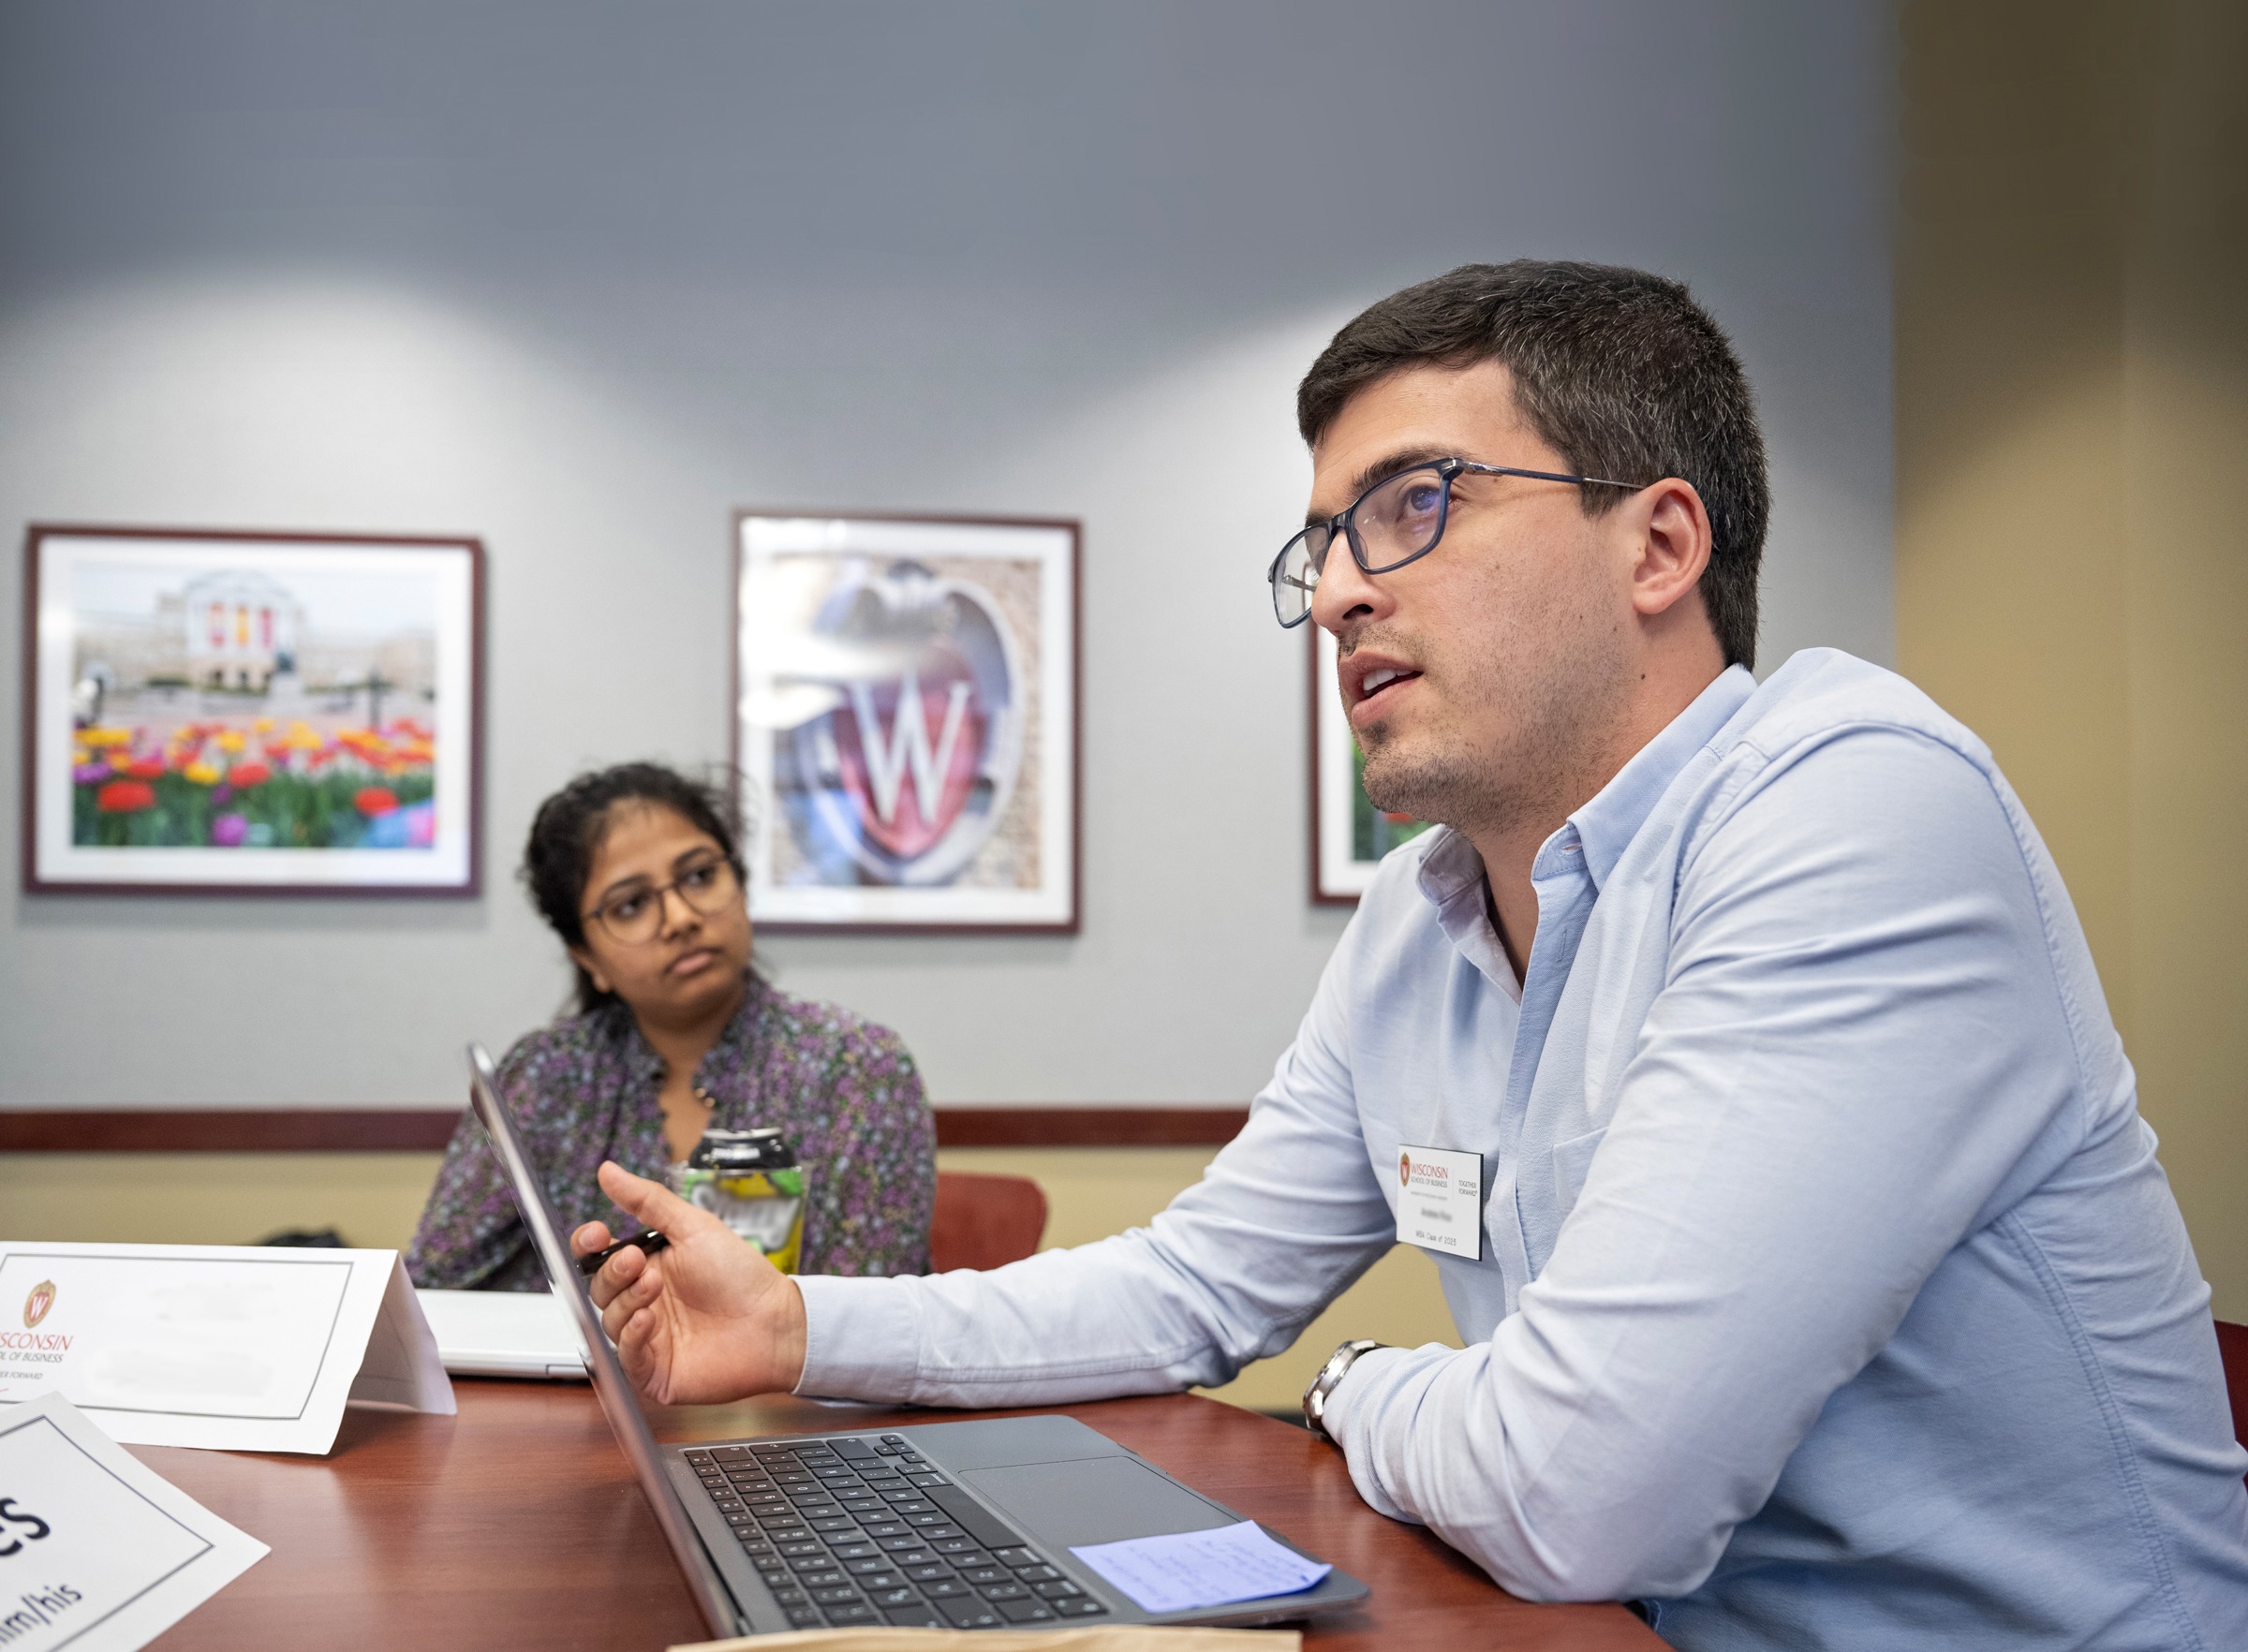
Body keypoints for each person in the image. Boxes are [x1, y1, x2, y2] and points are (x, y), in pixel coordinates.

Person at [571, 264, 2248, 1647]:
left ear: (1660, 545)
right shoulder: (1417, 917)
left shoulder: (1855, 807)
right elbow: (1194, 1285)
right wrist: (796, 1325)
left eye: (1416, 506)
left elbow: (1579, 1489)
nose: (1344, 594)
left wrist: (1357, 1382)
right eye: (1326, 544)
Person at [408, 761, 934, 1290]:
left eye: (701, 876)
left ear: (742, 886)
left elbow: (871, 1324)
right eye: (632, 904)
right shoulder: (546, 1077)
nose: (681, 917)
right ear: (587, 957)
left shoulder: (857, 1070)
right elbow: (434, 1282)